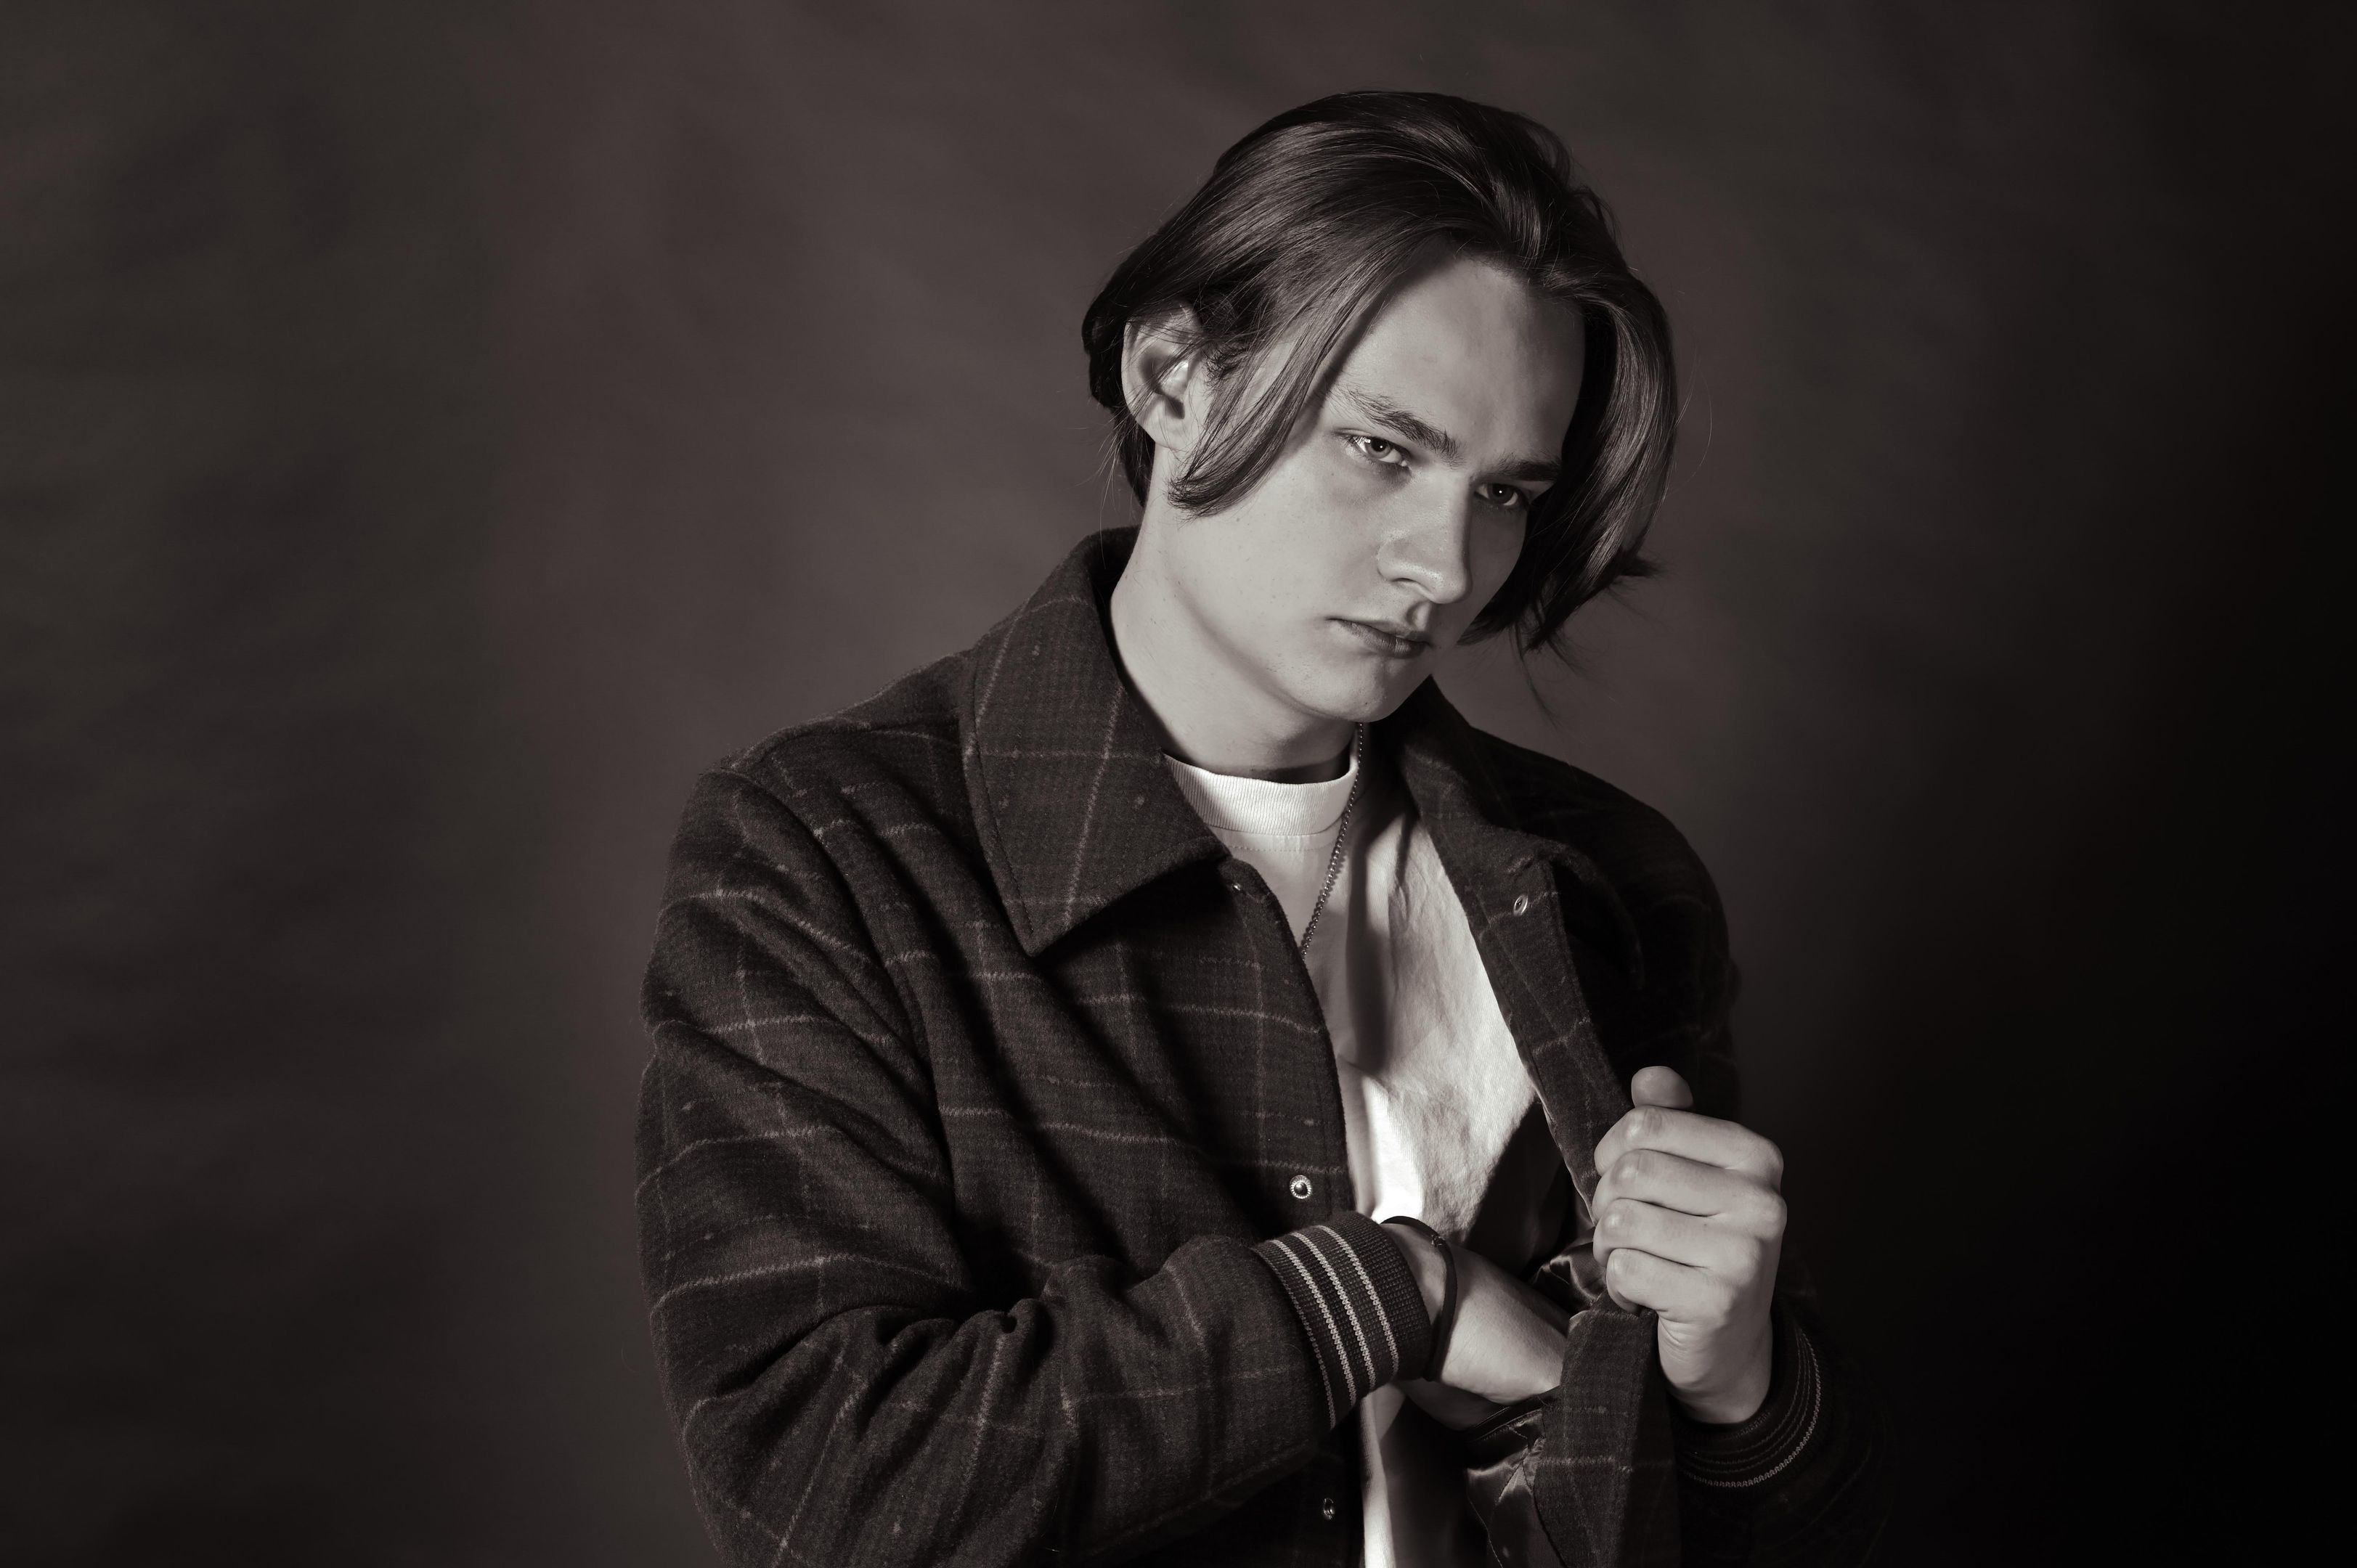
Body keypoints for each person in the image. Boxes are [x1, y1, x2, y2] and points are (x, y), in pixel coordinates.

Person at [636, 91, 1889, 1567]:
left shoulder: (1605, 880)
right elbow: (823, 1495)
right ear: (1171, 379)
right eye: (1382, 448)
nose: (1446, 567)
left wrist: (1739, 1382)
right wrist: (1385, 1299)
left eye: (1502, 493)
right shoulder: (828, 854)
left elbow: (1736, 1520)